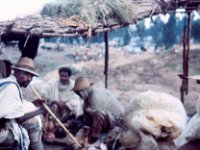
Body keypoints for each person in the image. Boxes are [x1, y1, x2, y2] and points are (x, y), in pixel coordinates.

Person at [0, 56, 46, 150]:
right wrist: (40, 111)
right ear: (15, 72)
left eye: (31, 76)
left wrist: (34, 104)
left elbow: (12, 107)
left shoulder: (7, 82)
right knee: (32, 127)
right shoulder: (12, 87)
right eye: (25, 74)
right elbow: (19, 119)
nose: (29, 78)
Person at [72, 76, 124, 144]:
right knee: (83, 114)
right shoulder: (88, 97)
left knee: (98, 114)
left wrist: (91, 131)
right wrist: (85, 127)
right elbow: (87, 114)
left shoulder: (96, 97)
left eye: (79, 93)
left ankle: (94, 137)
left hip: (116, 120)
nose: (78, 95)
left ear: (84, 90)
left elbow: (97, 115)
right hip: (107, 118)